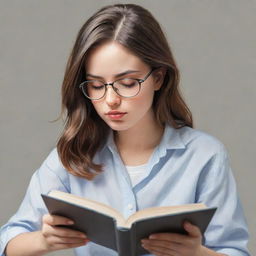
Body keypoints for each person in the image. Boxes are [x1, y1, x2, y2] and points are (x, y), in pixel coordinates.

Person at [0, 3, 250, 256]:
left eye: (127, 83)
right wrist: (44, 241)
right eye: (97, 86)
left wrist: (196, 253)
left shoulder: (205, 156)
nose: (110, 100)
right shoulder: (73, 156)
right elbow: (8, 241)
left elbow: (234, 250)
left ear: (159, 78)